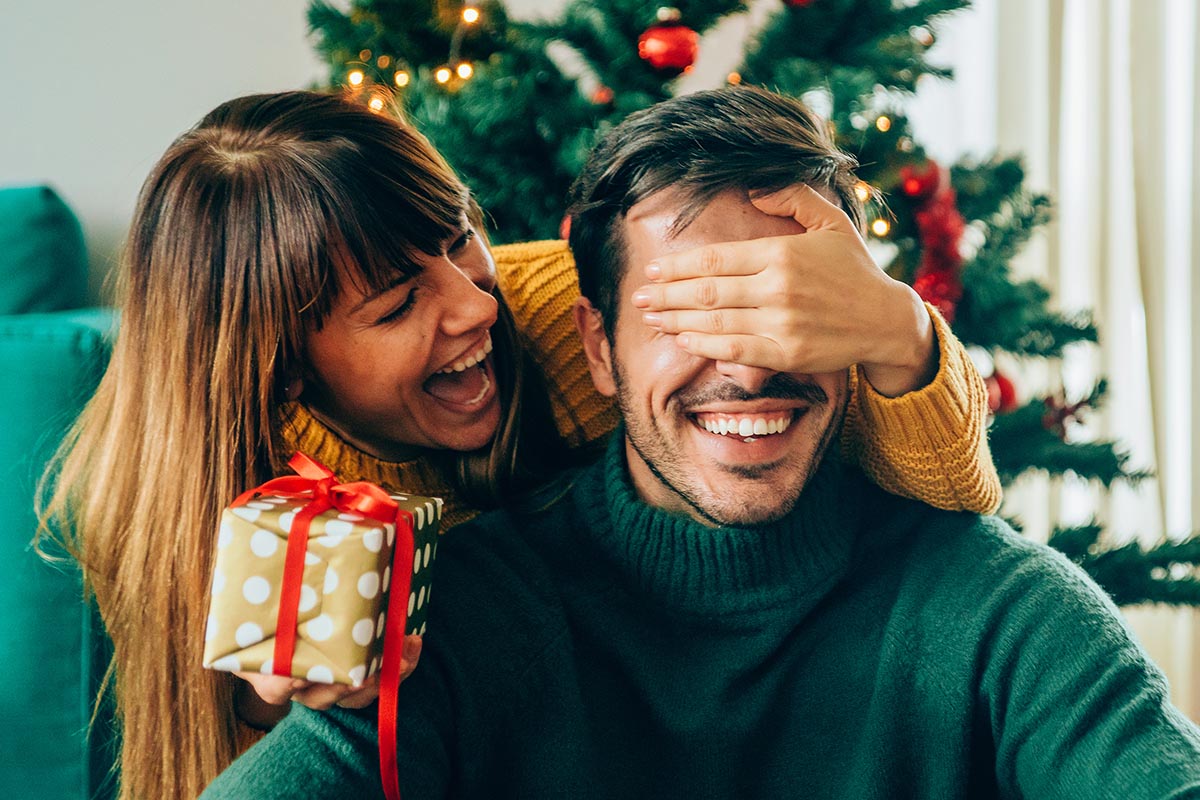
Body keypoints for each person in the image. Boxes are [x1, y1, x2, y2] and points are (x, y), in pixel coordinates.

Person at [201, 86, 1200, 799]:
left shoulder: (1001, 612)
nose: (746, 365)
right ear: (597, 342)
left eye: (781, 309)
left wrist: (900, 329)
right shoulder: (452, 618)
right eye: (688, 311)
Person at [40, 90, 1000, 799]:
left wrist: (896, 329)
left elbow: (944, 501)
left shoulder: (574, 320)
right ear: (286, 372)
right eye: (396, 303)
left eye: (458, 239)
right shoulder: (212, 511)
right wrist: (264, 706)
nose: (472, 305)